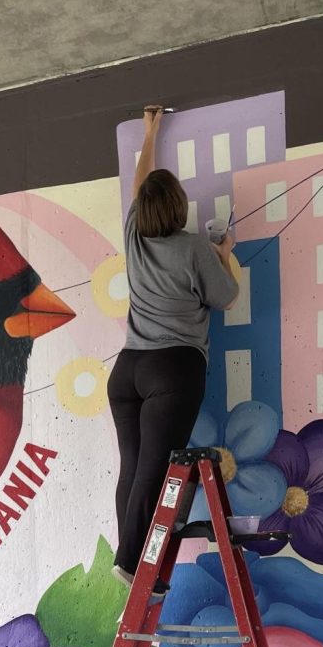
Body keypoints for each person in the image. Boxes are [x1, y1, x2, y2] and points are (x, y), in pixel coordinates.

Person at [108, 105, 240, 585]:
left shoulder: (133, 234)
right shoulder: (195, 248)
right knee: (155, 471)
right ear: (179, 208)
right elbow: (228, 297)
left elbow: (139, 183)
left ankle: (129, 558)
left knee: (133, 468)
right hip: (173, 368)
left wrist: (151, 133)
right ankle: (131, 563)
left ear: (143, 209)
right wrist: (225, 255)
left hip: (128, 370)